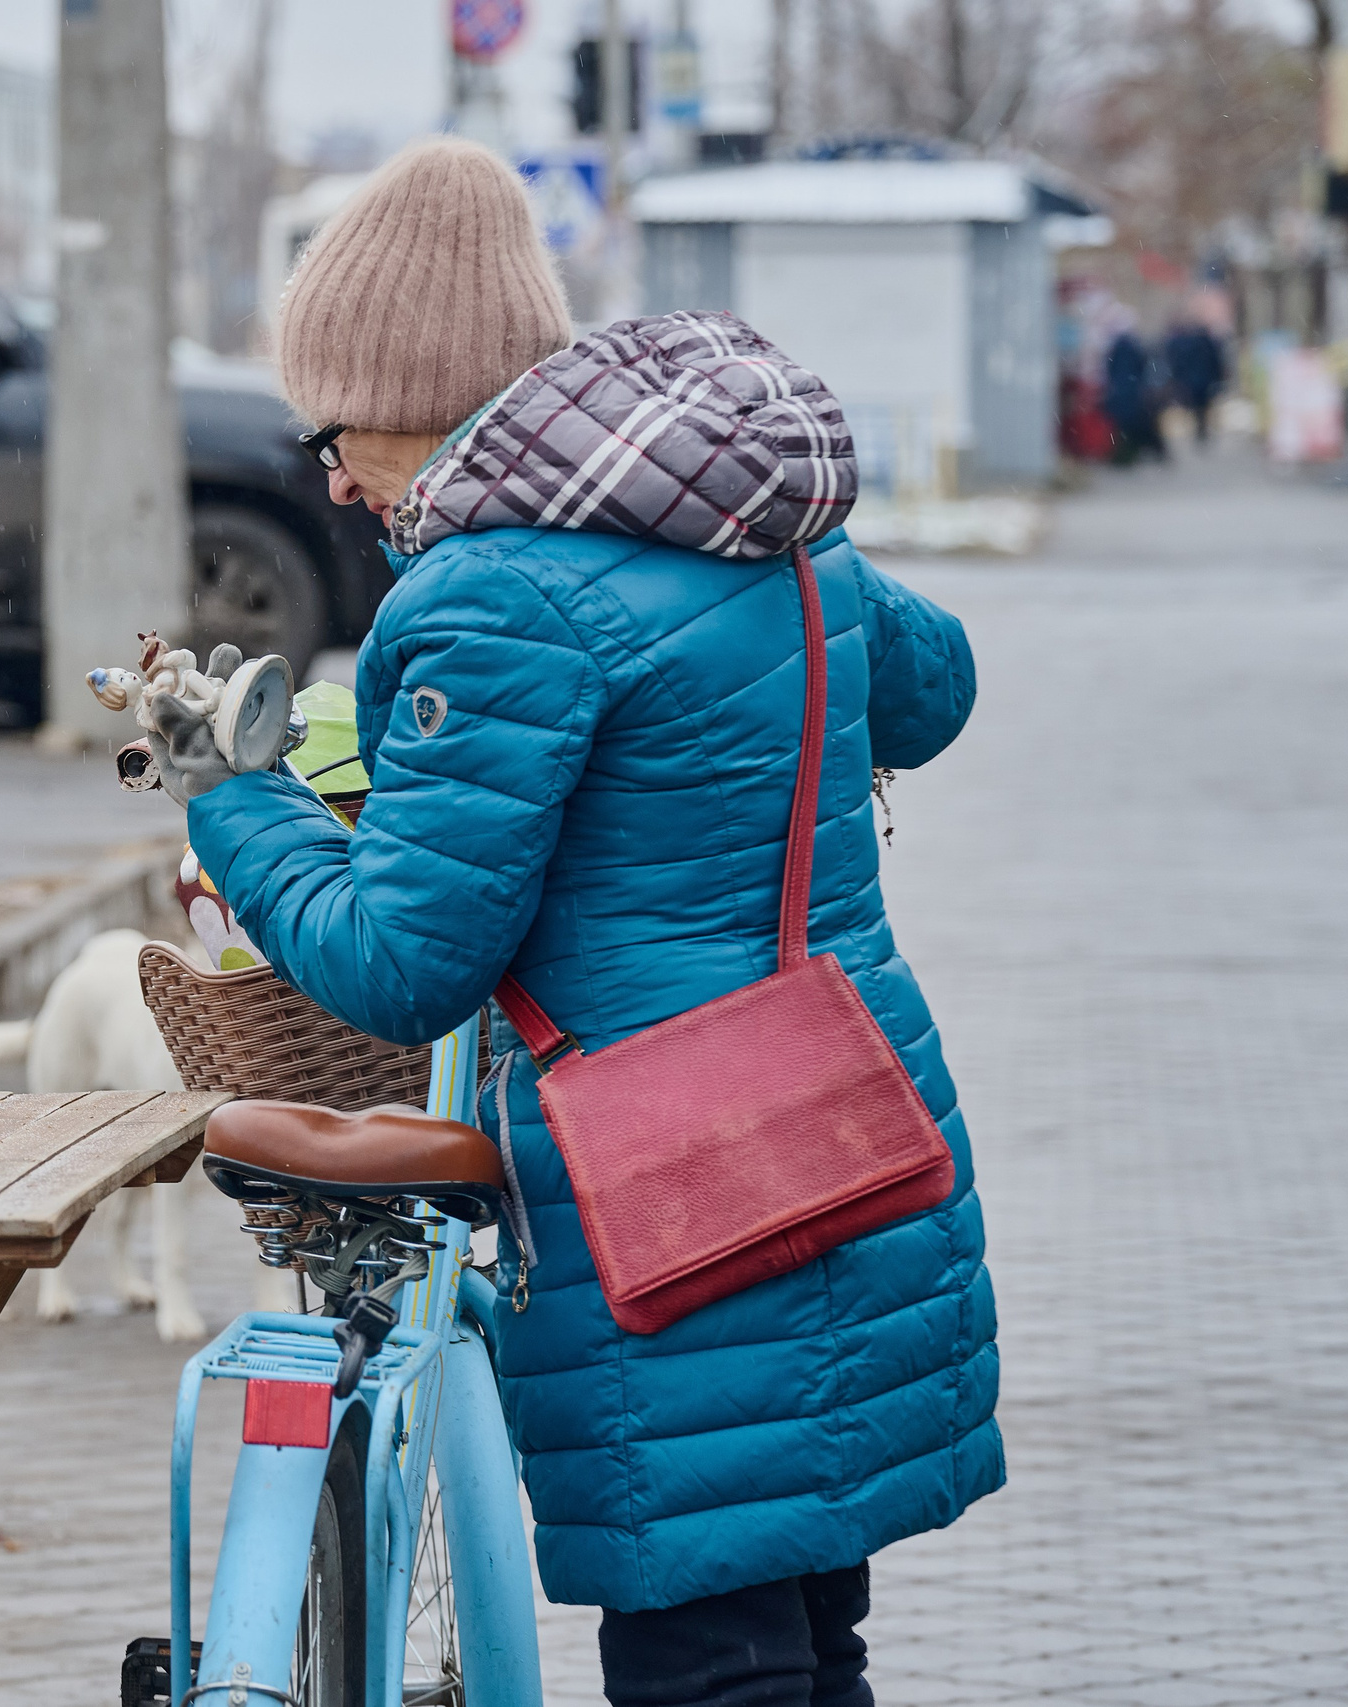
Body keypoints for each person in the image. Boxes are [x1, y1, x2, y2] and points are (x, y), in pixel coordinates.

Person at [170, 139, 1001, 1707]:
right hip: (847, 1109)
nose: (333, 478)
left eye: (336, 430)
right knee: (804, 1634)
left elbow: (404, 963)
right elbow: (935, 691)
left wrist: (234, 792)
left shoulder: (492, 592)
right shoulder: (751, 522)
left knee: (709, 1655)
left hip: (671, 1188)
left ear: (414, 396)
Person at [1102, 313, 1167, 464]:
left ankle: (1127, 454)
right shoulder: (1133, 345)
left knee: (1126, 425)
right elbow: (1143, 366)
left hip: (1122, 391)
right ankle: (1138, 452)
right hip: (1133, 391)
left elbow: (1111, 368)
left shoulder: (1115, 347)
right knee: (1139, 424)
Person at [1164, 318, 1228, 444]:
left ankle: (1200, 428)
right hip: (1205, 379)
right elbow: (1215, 362)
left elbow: (1181, 363)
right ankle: (1202, 428)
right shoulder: (1208, 344)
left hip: (1194, 380)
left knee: (1197, 406)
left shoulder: (1190, 345)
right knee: (1203, 406)